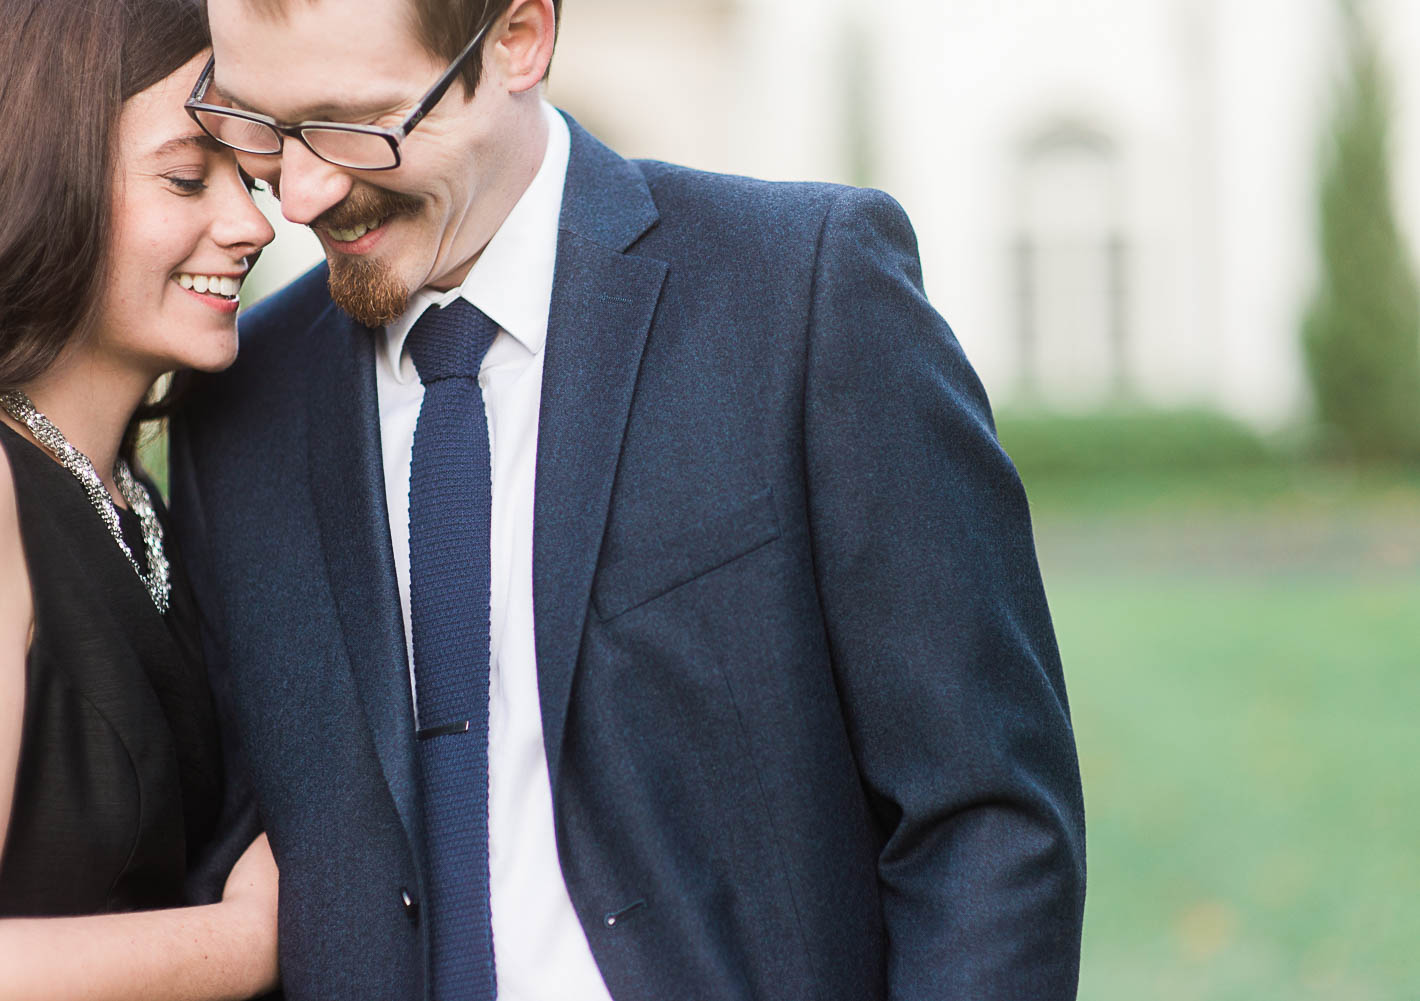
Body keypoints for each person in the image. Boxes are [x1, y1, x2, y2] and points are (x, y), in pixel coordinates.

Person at [173, 0, 1088, 997]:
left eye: (355, 125)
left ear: (519, 38)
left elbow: (987, 817)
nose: (298, 194)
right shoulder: (237, 401)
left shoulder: (803, 292)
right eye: (257, 123)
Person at [0, 1, 282, 998]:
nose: (254, 223)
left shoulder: (141, 502)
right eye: (187, 175)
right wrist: (250, 938)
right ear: (35, 173)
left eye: (250, 176)